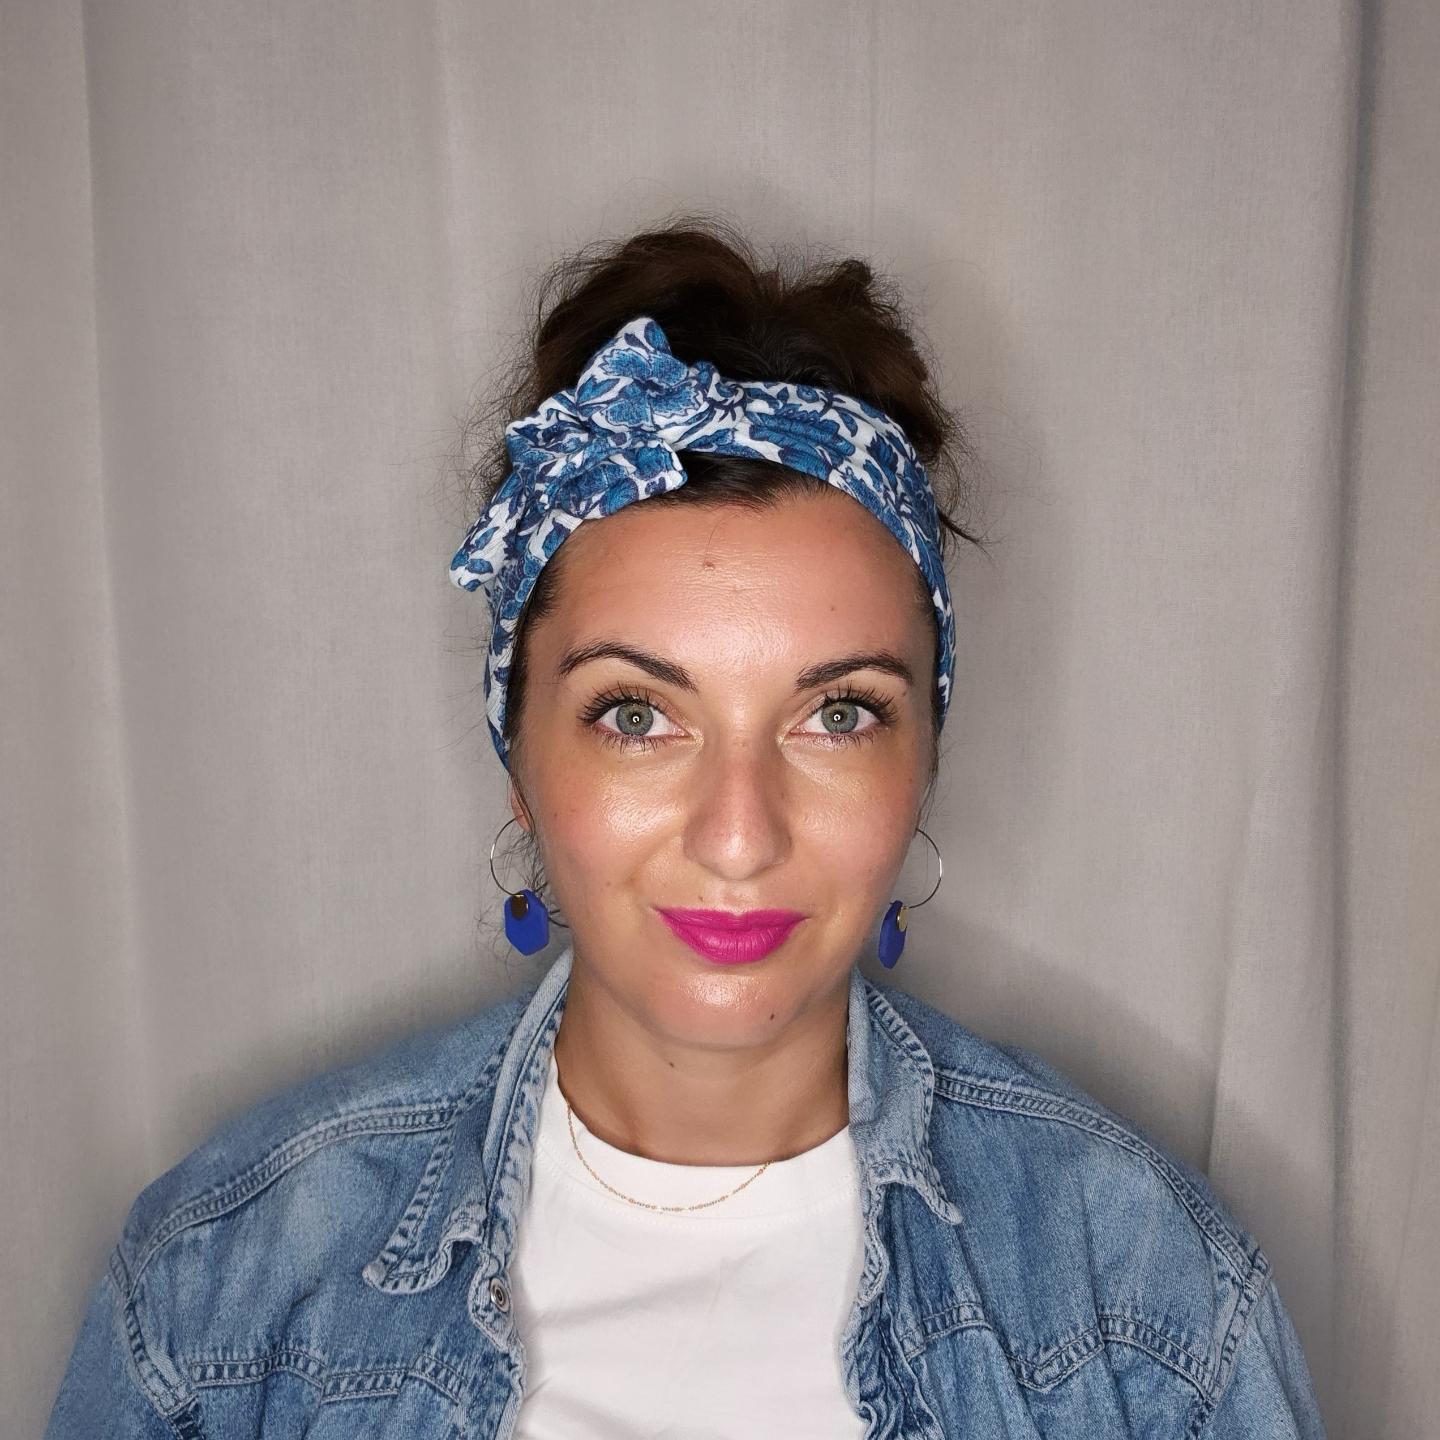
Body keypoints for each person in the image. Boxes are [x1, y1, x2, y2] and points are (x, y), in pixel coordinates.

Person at [43, 217, 1327, 1439]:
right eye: (637, 715)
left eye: (837, 714)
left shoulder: (1152, 1300)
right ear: (516, 754)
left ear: (925, 760)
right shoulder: (222, 1285)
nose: (738, 835)